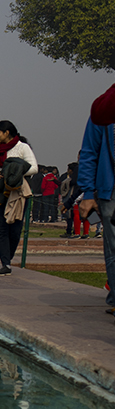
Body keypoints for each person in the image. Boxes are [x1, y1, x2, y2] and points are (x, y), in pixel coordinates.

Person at [79, 86, 115, 313]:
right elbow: (90, 151)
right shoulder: (104, 107)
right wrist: (88, 192)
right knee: (113, 247)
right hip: (110, 189)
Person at [0, 120, 37, 275]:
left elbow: (34, 168)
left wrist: (15, 173)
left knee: (14, 230)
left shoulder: (22, 147)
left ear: (6, 132)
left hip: (16, 195)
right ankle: (5, 263)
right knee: (1, 230)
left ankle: (8, 257)